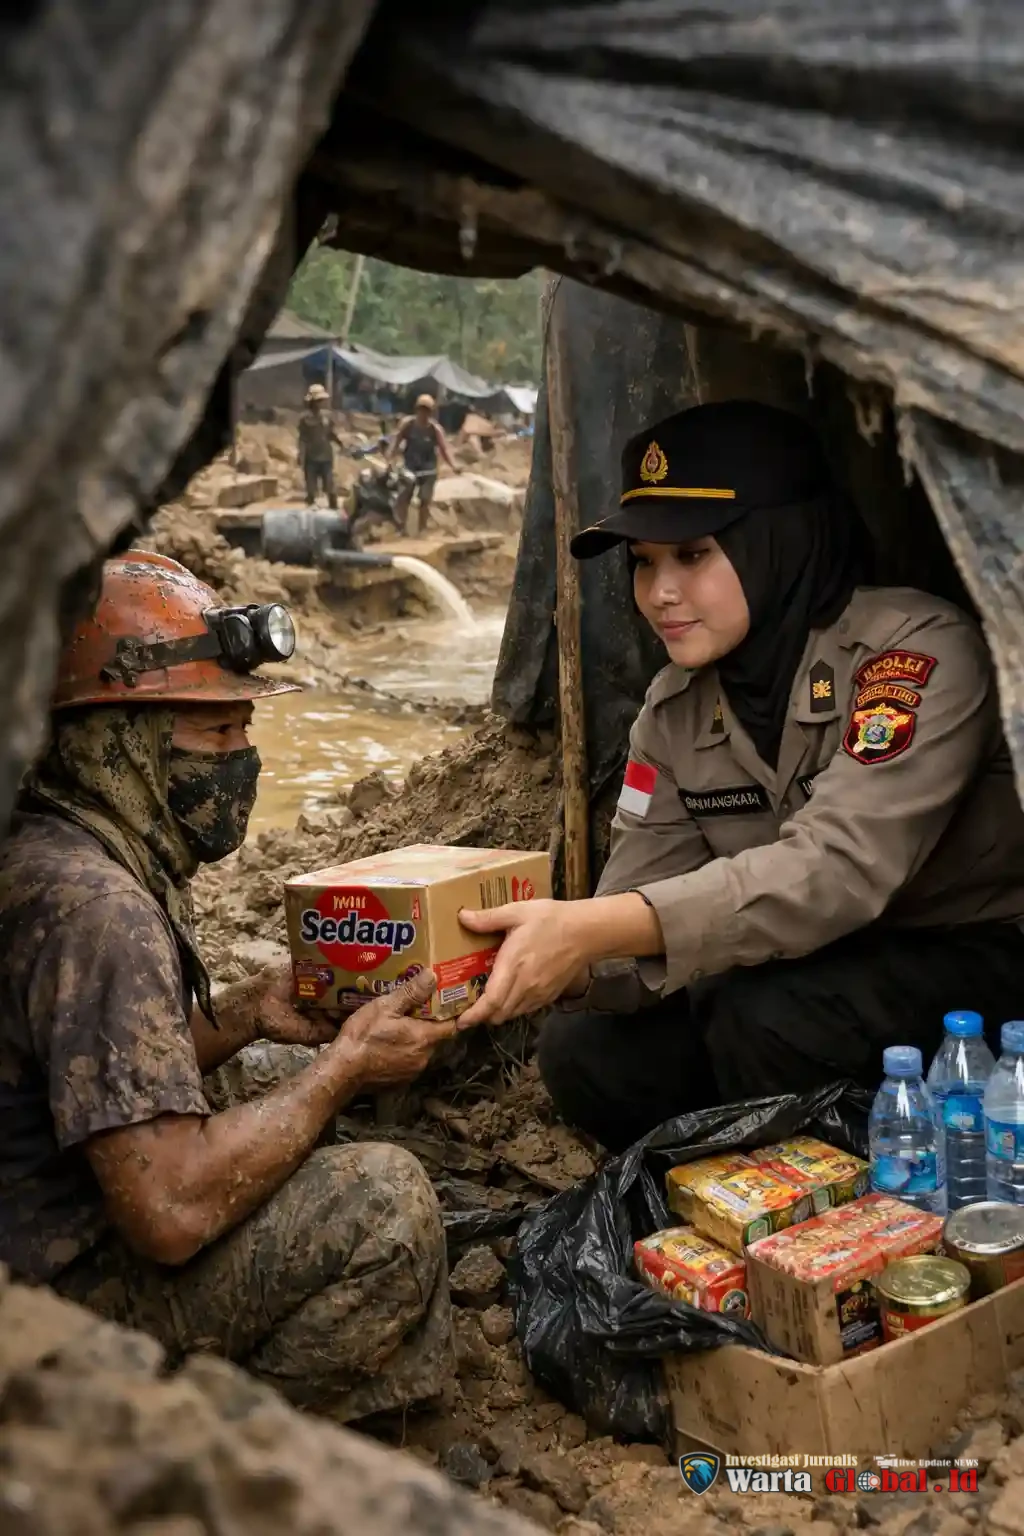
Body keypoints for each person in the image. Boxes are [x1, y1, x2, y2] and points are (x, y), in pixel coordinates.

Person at [457, 400, 1024, 1151]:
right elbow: (637, 899)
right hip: (800, 969)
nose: (660, 592)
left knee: (766, 1016)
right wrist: (537, 968)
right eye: (644, 562)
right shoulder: (674, 711)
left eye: (692, 554)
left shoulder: (914, 653)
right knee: (587, 1051)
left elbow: (838, 869)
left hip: (968, 964)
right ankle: (739, 1183)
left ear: (775, 543)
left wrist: (590, 929)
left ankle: (879, 1189)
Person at [0, 551, 458, 1420]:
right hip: (48, 1315)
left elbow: (92, 1067)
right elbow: (167, 1211)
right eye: (216, 735)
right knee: (383, 1201)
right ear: (117, 745)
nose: (241, 760)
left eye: (245, 729)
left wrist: (249, 1009)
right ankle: (195, 1446)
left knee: (261, 1090)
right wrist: (343, 1069)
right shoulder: (98, 912)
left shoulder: (50, 850)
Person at [389, 394, 457, 537]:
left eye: (427, 410)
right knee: (403, 496)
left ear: (431, 412)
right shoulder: (407, 425)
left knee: (425, 499)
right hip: (410, 466)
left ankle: (422, 529)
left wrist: (453, 465)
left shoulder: (435, 429)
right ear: (416, 410)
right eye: (421, 410)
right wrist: (390, 458)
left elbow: (444, 449)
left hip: (428, 469)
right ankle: (401, 528)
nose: (423, 413)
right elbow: (395, 442)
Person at [297, 382, 342, 509]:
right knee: (311, 489)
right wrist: (301, 454)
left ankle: (334, 510)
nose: (321, 403)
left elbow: (331, 434)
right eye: (318, 400)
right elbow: (303, 438)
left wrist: (341, 444)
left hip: (326, 457)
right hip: (311, 458)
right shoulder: (304, 418)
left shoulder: (327, 416)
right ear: (312, 402)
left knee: (330, 487)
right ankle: (310, 514)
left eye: (322, 400)